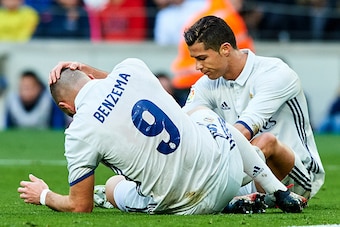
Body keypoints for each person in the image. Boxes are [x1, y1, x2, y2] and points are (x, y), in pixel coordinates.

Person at [18, 58, 306, 214]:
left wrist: (44, 195)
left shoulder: (79, 131)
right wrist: (84, 67)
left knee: (113, 186)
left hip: (189, 206)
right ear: (90, 77)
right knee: (200, 115)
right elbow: (115, 79)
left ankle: (236, 202)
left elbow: (80, 206)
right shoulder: (132, 68)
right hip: (226, 170)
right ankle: (277, 190)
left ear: (65, 108)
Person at [181, 15, 325, 202]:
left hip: (297, 174)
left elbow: (243, 132)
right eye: (194, 59)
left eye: (202, 58)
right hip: (248, 174)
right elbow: (184, 126)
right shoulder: (206, 84)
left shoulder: (275, 73)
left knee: (265, 141)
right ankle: (229, 198)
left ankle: (211, 192)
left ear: (225, 49)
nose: (197, 67)